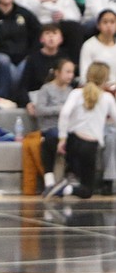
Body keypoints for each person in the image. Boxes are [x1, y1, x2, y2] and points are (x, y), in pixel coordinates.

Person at [47, 61, 116, 199]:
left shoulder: (76, 93)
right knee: (87, 191)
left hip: (73, 140)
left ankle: (66, 179)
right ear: (105, 79)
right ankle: (67, 188)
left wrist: (62, 138)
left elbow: (65, 113)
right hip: (89, 145)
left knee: (77, 173)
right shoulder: (107, 98)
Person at [0, 0, 41, 106]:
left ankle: (19, 102)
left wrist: (31, 54)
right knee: (5, 64)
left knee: (28, 63)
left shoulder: (24, 13)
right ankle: (0, 102)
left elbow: (38, 34)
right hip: (0, 55)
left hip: (23, 56)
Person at [30, 57, 73, 195]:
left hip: (66, 128)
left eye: (72, 72)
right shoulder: (46, 89)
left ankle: (69, 178)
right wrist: (61, 109)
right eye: (67, 72)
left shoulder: (71, 91)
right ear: (57, 72)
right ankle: (50, 181)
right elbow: (40, 110)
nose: (70, 75)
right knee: (52, 139)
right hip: (49, 128)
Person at [78, 9, 116, 92]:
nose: (109, 26)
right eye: (105, 22)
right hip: (96, 90)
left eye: (112, 22)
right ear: (98, 25)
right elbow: (84, 76)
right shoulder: (89, 45)